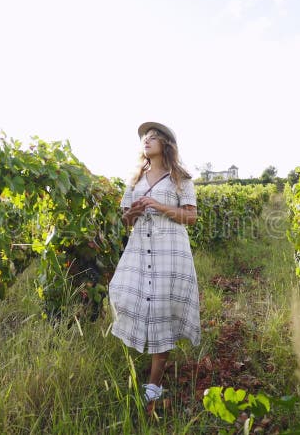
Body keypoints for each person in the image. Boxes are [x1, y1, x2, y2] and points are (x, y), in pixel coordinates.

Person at [108, 121, 201, 406]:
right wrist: (133, 212)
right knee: (123, 295)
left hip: (169, 250)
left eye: (152, 137)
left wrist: (160, 207)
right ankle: (147, 363)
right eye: (144, 139)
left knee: (162, 309)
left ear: (165, 144)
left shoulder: (179, 178)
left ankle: (154, 383)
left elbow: (191, 217)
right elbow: (126, 220)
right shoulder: (135, 179)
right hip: (139, 251)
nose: (146, 141)